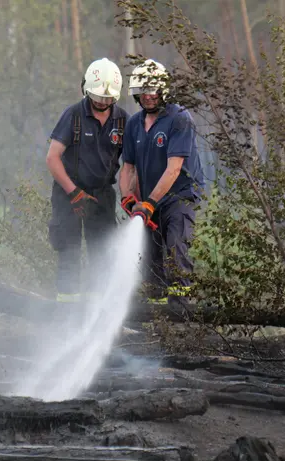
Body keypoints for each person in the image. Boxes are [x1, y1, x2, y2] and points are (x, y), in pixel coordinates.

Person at [119, 59, 205, 305]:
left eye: (152, 90)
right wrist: (128, 197)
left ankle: (180, 317)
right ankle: (156, 323)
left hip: (178, 197)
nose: (147, 96)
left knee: (176, 248)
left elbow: (174, 168)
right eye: (142, 91)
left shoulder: (179, 118)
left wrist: (150, 203)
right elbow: (128, 168)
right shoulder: (134, 124)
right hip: (149, 202)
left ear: (163, 89)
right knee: (149, 259)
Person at [45, 58, 129, 302]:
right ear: (85, 89)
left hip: (102, 194)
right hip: (68, 193)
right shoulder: (73, 116)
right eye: (98, 97)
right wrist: (74, 193)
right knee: (68, 251)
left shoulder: (122, 121)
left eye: (108, 98)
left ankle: (96, 309)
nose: (103, 102)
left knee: (102, 253)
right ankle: (66, 309)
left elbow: (130, 165)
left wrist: (130, 195)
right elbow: (52, 158)